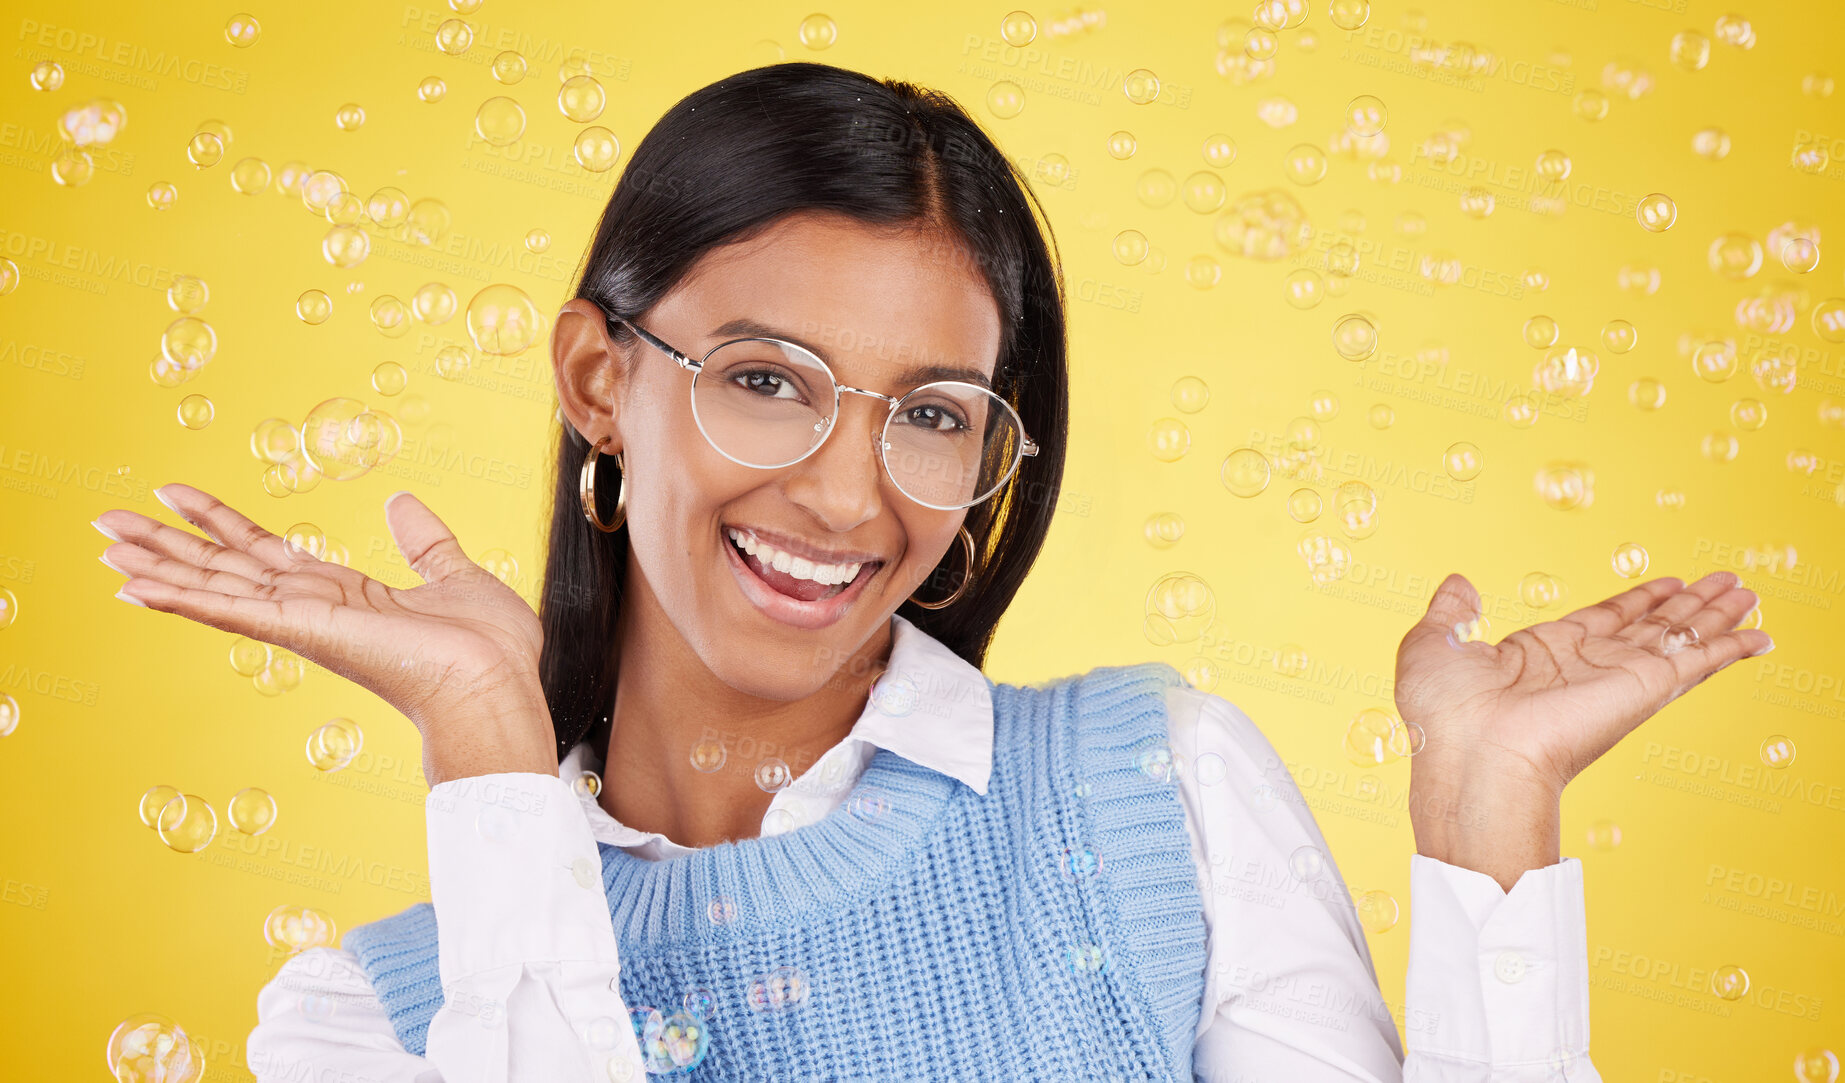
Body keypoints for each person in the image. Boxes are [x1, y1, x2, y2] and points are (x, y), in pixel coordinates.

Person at [93, 62, 1772, 1082]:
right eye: (764, 379)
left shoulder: (1150, 792)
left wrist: (1484, 816)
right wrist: (486, 731)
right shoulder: (367, 1017)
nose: (844, 491)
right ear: (601, 381)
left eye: (934, 413)